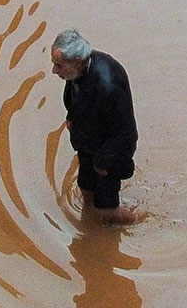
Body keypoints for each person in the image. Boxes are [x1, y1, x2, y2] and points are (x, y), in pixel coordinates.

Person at [50, 29, 138, 224]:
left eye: (59, 66)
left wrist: (102, 162)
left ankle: (136, 221)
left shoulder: (109, 85)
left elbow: (126, 133)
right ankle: (90, 224)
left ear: (78, 61)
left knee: (106, 210)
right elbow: (74, 97)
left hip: (108, 153)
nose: (54, 71)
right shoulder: (75, 72)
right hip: (88, 143)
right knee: (86, 188)